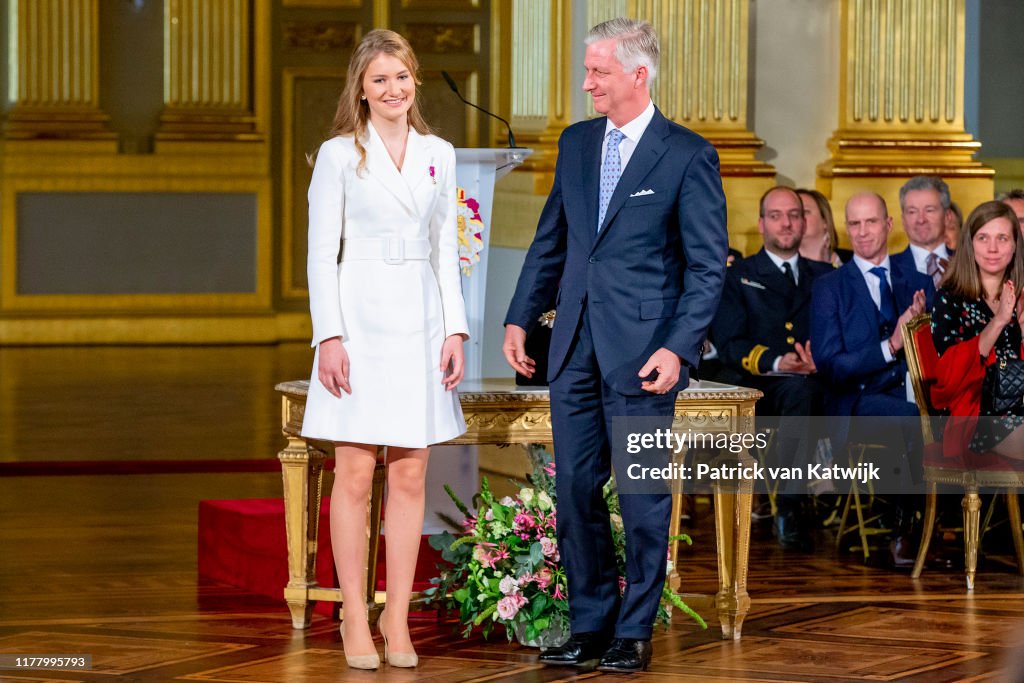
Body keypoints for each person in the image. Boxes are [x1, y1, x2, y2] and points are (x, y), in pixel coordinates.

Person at [503, 17, 727, 673]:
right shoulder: (575, 144)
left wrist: (679, 348)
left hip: (645, 355)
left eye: (598, 71)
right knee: (573, 489)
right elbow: (552, 241)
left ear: (639, 73)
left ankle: (634, 632)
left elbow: (708, 266)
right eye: (587, 69)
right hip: (571, 346)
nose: (586, 82)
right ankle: (591, 623)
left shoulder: (687, 153)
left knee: (642, 498)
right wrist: (520, 318)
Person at [300, 29, 469, 671]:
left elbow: (445, 251)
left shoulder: (439, 153)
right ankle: (354, 615)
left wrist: (455, 329)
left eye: (401, 76)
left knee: (409, 471)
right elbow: (321, 255)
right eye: (379, 80)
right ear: (361, 89)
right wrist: (329, 336)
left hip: (421, 316)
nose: (392, 89)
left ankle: (397, 619)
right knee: (352, 472)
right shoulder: (340, 155)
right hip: (360, 317)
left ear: (415, 81)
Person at [810, 192, 933, 567]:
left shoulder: (919, 281)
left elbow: (937, 350)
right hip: (856, 403)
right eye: (854, 224)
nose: (862, 232)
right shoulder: (830, 286)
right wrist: (891, 345)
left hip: (915, 391)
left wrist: (920, 333)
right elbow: (831, 366)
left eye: (871, 222)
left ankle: (946, 524)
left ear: (889, 225)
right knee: (912, 421)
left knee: (948, 414)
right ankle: (905, 529)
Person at [711, 186, 832, 550]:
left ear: (804, 221)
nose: (786, 223)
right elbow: (730, 344)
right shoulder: (739, 275)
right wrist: (779, 361)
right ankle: (791, 503)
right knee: (798, 392)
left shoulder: (825, 275)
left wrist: (819, 360)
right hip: (758, 385)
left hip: (819, 379)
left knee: (818, 392)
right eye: (776, 215)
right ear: (762, 223)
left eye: (794, 215)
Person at [932, 201, 1024, 461]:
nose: (993, 248)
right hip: (971, 413)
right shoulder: (949, 299)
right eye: (983, 237)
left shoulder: (1022, 295)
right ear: (969, 244)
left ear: (1015, 245)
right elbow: (950, 375)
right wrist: (999, 321)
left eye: (1002, 238)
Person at [891, 175, 954, 287]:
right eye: (912, 212)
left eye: (929, 210)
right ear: (903, 220)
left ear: (947, 217)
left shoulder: (969, 264)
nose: (921, 220)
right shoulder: (888, 270)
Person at [796, 188, 850, 266]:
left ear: (825, 221)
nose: (798, 217)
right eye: (793, 213)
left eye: (805, 212)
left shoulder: (856, 262)